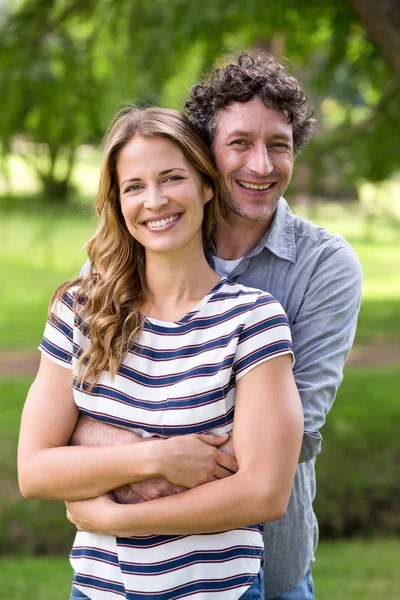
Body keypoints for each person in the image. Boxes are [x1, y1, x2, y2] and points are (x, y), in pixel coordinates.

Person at [72, 52, 363, 599]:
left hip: (262, 574)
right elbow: (68, 406)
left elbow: (289, 441)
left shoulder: (324, 266)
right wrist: (153, 454)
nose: (262, 165)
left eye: (279, 144)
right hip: (116, 578)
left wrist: (107, 474)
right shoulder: (136, 246)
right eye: (239, 144)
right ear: (204, 153)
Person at [18, 106, 304, 600]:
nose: (154, 201)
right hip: (98, 591)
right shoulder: (80, 309)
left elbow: (263, 492)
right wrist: (159, 457)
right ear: (118, 201)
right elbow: (35, 469)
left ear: (206, 186)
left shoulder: (253, 320)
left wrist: (119, 517)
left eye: (172, 178)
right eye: (134, 186)